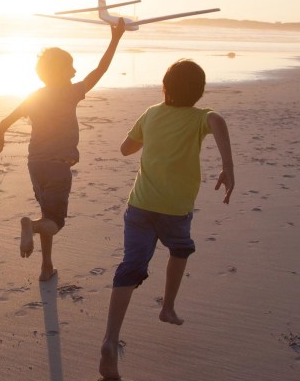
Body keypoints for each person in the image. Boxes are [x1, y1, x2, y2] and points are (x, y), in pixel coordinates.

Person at [98, 59, 234, 380]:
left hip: (141, 206)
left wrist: (148, 137)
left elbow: (124, 149)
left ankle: (110, 338)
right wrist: (228, 165)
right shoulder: (201, 117)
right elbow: (218, 121)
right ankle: (168, 306)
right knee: (180, 249)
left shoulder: (151, 113)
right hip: (175, 209)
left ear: (164, 86)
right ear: (200, 92)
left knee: (130, 267)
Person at [0, 18, 125, 281]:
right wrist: (115, 39)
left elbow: (5, 121)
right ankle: (31, 226)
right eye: (71, 68)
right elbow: (101, 69)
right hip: (58, 166)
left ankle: (46, 267)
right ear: (61, 73)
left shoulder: (34, 96)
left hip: (35, 164)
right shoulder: (70, 92)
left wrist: (0, 137)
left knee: (47, 213)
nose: (75, 72)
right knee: (54, 223)